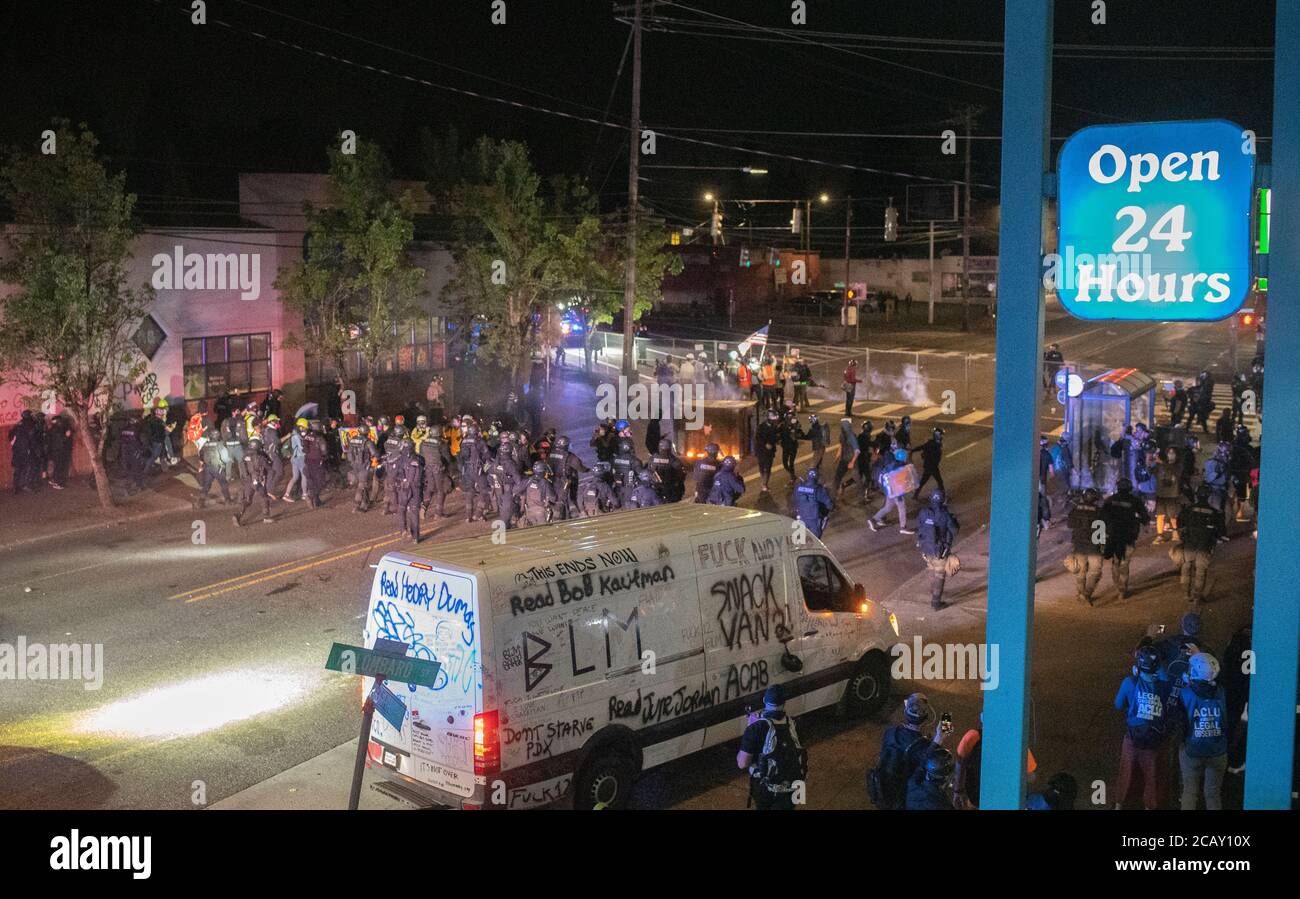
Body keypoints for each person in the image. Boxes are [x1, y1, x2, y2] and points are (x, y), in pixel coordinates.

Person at [1113, 642, 1175, 810]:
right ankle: (1149, 806)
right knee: (1152, 776)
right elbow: (1164, 677)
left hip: (1133, 737)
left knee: (1125, 770)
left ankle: (1119, 805)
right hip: (1154, 739)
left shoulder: (1129, 682)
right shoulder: (1164, 686)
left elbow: (1118, 705)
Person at [868, 693, 950, 809]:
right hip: (902, 794)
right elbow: (931, 763)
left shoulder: (891, 731)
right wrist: (939, 739)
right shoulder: (921, 745)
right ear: (925, 718)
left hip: (883, 787)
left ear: (905, 713)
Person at [737, 685, 807, 810]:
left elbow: (742, 763)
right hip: (793, 786)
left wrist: (751, 726)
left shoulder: (755, 728)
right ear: (784, 703)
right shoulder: (795, 724)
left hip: (765, 788)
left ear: (764, 700)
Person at [1177, 652, 1229, 810]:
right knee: (1213, 794)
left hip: (1193, 750)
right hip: (1218, 751)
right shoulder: (1222, 692)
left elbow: (1180, 725)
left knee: (1190, 793)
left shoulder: (1185, 693)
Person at [954, 713, 1038, 809]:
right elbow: (1031, 777)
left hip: (976, 798)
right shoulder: (1016, 742)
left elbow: (960, 763)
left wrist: (958, 790)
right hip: (1004, 800)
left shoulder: (973, 736)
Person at [1101, 478, 1149, 600]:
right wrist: (1138, 521)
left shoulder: (1110, 500)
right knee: (1125, 564)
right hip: (1128, 538)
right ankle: (1122, 591)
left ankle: (1118, 586)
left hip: (1113, 537)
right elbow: (1145, 518)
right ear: (1130, 488)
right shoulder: (1135, 501)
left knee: (1115, 563)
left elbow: (1101, 518)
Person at [1176, 484, 1223, 604]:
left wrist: (1183, 535)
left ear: (1196, 495)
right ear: (1209, 496)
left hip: (1189, 545)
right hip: (1205, 546)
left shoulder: (1187, 510)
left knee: (1186, 568)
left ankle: (1186, 594)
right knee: (1201, 571)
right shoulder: (1215, 513)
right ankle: (1197, 597)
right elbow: (1221, 532)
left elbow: (1179, 524)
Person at [915, 490, 959, 610]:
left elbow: (919, 527)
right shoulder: (944, 514)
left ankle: (933, 591)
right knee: (939, 575)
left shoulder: (924, 512)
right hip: (939, 551)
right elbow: (954, 530)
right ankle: (936, 603)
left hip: (926, 549)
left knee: (931, 569)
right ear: (942, 500)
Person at [1067, 487, 1105, 605]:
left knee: (1081, 571)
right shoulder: (1099, 511)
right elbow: (1102, 530)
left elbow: (1070, 524)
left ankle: (1081, 593)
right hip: (1093, 546)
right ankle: (1086, 594)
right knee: (1096, 572)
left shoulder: (1075, 509)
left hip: (1079, 545)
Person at [868, 448, 914, 535]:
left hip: (889, 490)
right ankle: (903, 527)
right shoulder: (899, 466)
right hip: (896, 490)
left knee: (888, 507)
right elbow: (902, 480)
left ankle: (873, 520)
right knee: (902, 507)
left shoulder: (892, 464)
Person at [232, 436, 275, 527]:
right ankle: (266, 517)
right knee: (264, 497)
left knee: (247, 500)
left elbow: (242, 468)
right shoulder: (260, 457)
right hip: (257, 481)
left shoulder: (245, 455)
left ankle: (238, 515)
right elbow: (269, 468)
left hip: (248, 480)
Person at [194, 423, 233, 509]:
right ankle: (228, 500)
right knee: (223, 484)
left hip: (207, 468)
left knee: (206, 485)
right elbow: (226, 458)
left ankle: (200, 502)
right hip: (218, 468)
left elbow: (201, 456)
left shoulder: (205, 445)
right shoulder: (220, 445)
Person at [394, 437, 423, 543]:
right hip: (415, 488)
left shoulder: (399, 459)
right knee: (414, 511)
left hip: (403, 488)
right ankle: (415, 537)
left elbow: (395, 474)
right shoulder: (418, 459)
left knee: (401, 508)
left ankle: (403, 530)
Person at [515, 460, 560, 526]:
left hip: (529, 512)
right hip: (541, 513)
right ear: (543, 471)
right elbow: (553, 498)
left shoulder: (528, 480)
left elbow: (516, 491)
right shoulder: (545, 483)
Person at [793, 469, 833, 539]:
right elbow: (828, 504)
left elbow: (795, 499)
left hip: (801, 516)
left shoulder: (798, 487)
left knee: (800, 539)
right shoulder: (818, 489)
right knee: (816, 539)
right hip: (813, 518)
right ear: (817, 478)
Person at [910, 428, 945, 500]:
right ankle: (943, 498)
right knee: (940, 481)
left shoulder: (931, 443)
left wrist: (913, 450)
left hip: (928, 466)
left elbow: (921, 447)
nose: (942, 436)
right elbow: (935, 458)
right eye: (941, 435)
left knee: (923, 481)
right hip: (932, 467)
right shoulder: (935, 445)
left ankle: (915, 495)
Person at [648, 437, 685, 503]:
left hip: (655, 488)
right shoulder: (673, 460)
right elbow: (681, 476)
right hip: (670, 489)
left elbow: (649, 471)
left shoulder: (653, 458)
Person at [301, 422, 327, 509]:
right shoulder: (320, 438)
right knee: (320, 481)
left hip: (308, 460)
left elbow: (304, 449)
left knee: (310, 480)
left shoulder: (306, 436)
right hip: (317, 461)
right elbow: (324, 451)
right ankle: (311, 497)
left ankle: (316, 500)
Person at [46, 413, 74, 490]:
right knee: (60, 467)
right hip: (59, 451)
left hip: (56, 451)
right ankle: (59, 482)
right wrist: (66, 436)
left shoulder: (53, 429)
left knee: (58, 466)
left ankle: (56, 481)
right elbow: (60, 440)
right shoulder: (56, 430)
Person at [832, 418, 859, 495]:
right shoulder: (851, 436)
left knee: (837, 478)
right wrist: (852, 462)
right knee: (857, 478)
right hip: (850, 459)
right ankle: (862, 498)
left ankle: (832, 497)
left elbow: (841, 447)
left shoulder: (842, 435)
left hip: (845, 459)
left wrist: (836, 458)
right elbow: (856, 450)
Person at [283, 418, 308, 502]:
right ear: (300, 427)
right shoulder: (297, 436)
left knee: (295, 477)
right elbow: (301, 448)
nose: (305, 429)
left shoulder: (294, 434)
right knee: (304, 475)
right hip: (300, 458)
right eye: (304, 427)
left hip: (294, 458)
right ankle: (304, 494)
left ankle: (287, 494)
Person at [755, 409, 780, 492]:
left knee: (768, 468)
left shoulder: (774, 427)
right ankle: (763, 481)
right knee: (761, 467)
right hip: (761, 451)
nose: (775, 421)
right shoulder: (761, 427)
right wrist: (765, 444)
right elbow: (757, 438)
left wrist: (777, 441)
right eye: (773, 420)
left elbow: (776, 437)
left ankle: (765, 484)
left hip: (770, 452)